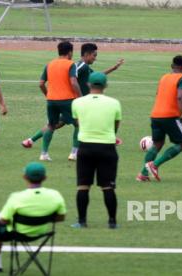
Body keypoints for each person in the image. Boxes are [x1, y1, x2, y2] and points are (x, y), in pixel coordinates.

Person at [0, 162, 66, 272]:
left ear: (25, 177)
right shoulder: (55, 195)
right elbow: (61, 218)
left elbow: (4, 220)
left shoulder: (16, 197)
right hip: (42, 232)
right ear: (45, 177)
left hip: (17, 233)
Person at [71, 72, 121, 229]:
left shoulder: (77, 103)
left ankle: (82, 221)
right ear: (106, 86)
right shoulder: (114, 103)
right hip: (107, 147)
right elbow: (115, 126)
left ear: (88, 85)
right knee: (108, 186)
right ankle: (112, 222)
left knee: (83, 186)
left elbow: (78, 123)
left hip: (85, 147)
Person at [21, 41, 81, 162]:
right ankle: (74, 153)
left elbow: (41, 83)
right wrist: (81, 97)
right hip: (67, 100)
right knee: (79, 124)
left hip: (51, 100)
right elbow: (74, 82)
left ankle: (44, 154)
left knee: (51, 126)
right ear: (70, 52)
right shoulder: (70, 64)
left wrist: (48, 94)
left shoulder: (50, 64)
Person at [137, 56, 182, 182]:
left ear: (172, 66)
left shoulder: (163, 77)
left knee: (157, 143)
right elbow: (180, 97)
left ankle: (143, 174)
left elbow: (158, 94)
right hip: (170, 116)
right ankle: (154, 165)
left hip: (155, 115)